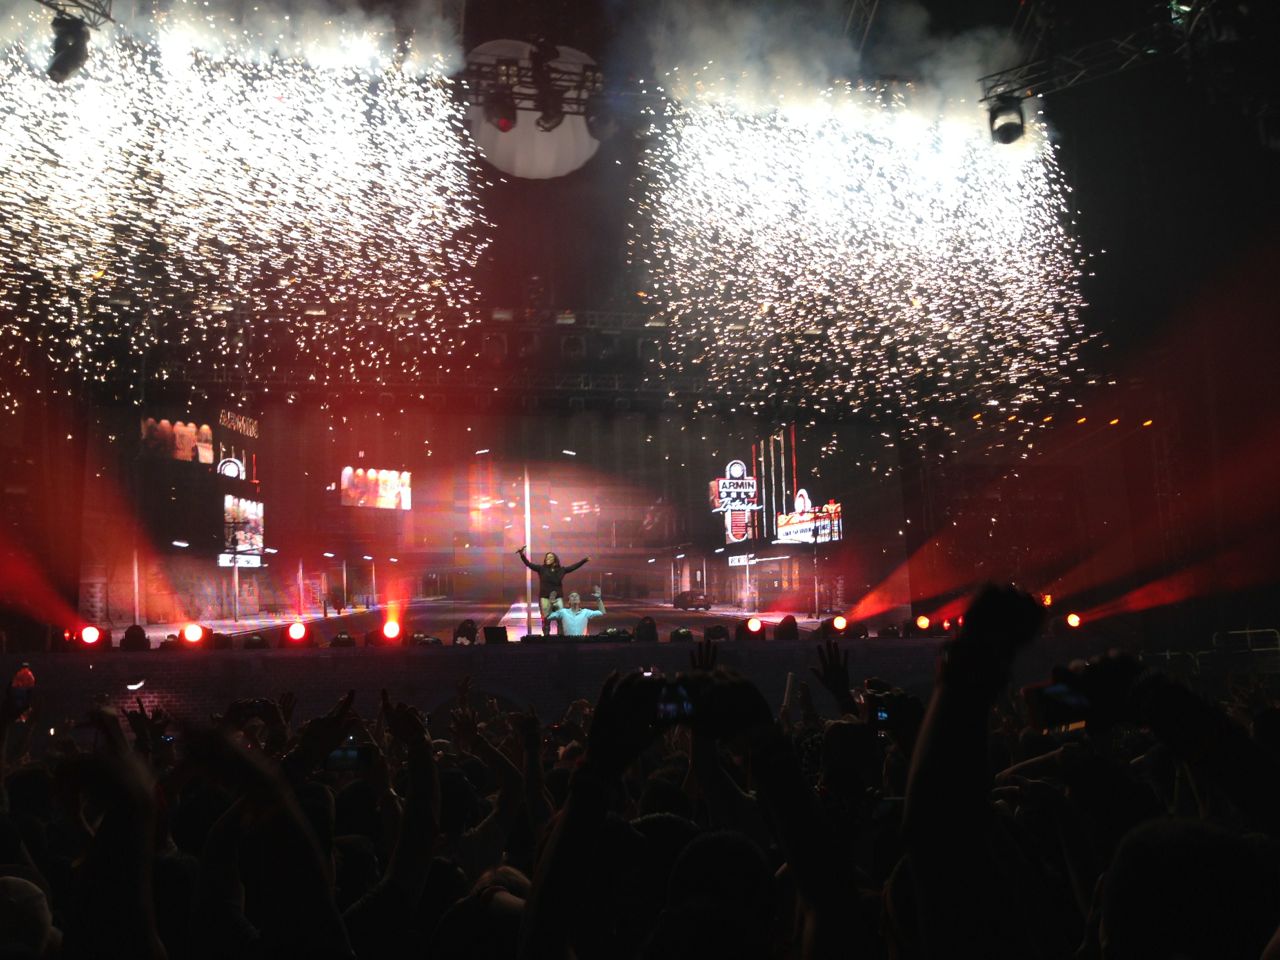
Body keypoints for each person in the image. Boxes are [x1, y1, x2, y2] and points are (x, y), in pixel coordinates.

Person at [516, 545, 589, 634]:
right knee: (546, 619)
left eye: (550, 557)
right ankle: (546, 639)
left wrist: (584, 560)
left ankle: (560, 639)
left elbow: (574, 567)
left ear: (555, 559)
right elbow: (528, 564)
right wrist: (522, 555)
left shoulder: (562, 570)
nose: (548, 558)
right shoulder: (541, 569)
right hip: (545, 597)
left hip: (558, 597)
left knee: (561, 619)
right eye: (547, 557)